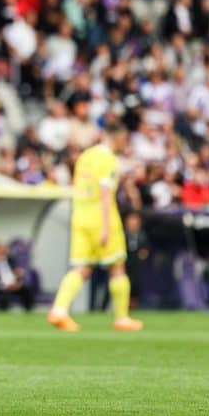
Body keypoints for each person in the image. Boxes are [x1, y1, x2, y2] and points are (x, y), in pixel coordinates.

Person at [47, 123, 144, 332]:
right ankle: (122, 318)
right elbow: (105, 192)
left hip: (81, 216)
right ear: (117, 138)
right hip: (102, 218)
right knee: (117, 266)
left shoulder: (85, 156)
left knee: (81, 268)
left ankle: (59, 310)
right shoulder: (108, 159)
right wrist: (106, 227)